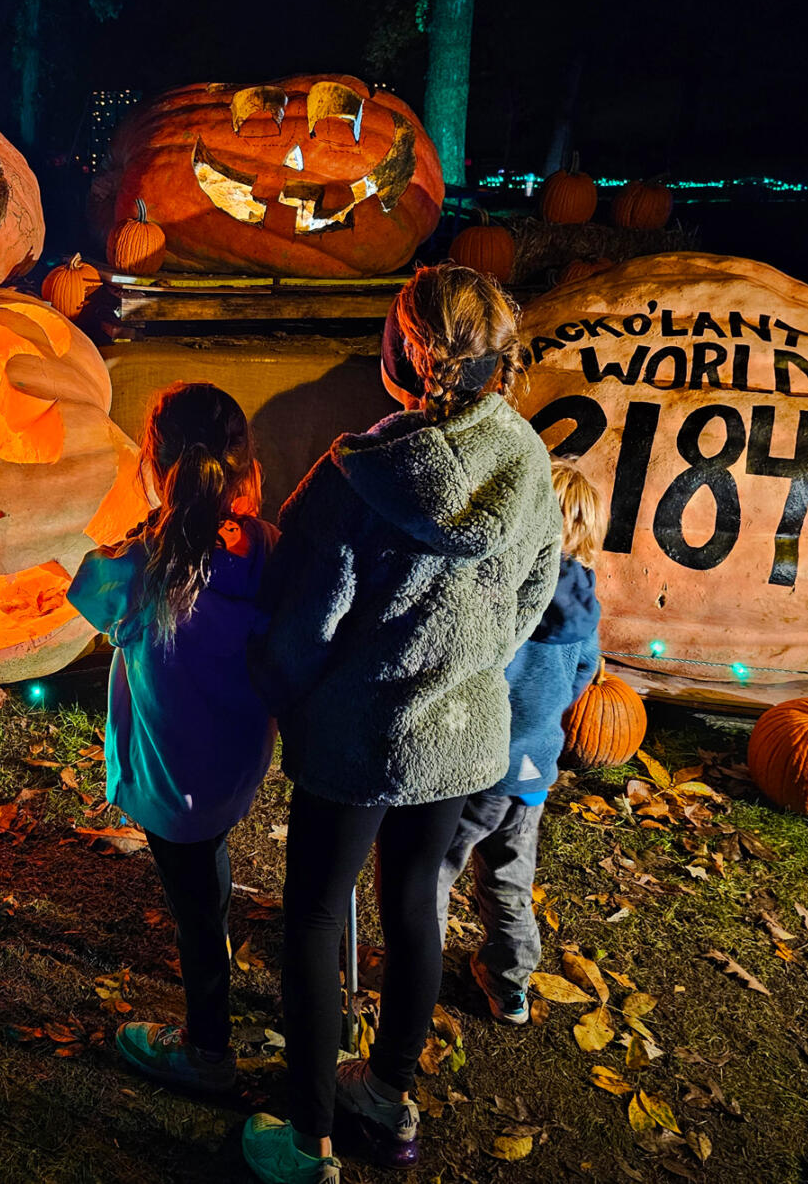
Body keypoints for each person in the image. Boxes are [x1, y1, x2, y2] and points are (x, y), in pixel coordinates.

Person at [242, 265, 563, 1184]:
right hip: (465, 732)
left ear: (400, 351)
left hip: (357, 736)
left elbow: (306, 619)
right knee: (416, 904)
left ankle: (307, 1141)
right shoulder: (529, 462)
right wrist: (476, 663)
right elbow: (534, 592)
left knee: (311, 915)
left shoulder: (353, 477)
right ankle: (385, 1093)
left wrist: (278, 688)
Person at [67, 381, 278, 1095]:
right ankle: (214, 959)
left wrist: (149, 529)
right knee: (205, 877)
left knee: (194, 912)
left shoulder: (136, 567)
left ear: (156, 469)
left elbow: (83, 590)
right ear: (244, 466)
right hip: (233, 767)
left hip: (171, 781)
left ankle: (207, 1049)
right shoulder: (265, 550)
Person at [437, 459, 603, 1024]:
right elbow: (584, 672)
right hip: (534, 772)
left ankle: (418, 965)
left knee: (436, 867)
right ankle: (511, 986)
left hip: (481, 764)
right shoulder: (585, 605)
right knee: (509, 879)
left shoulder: (510, 592)